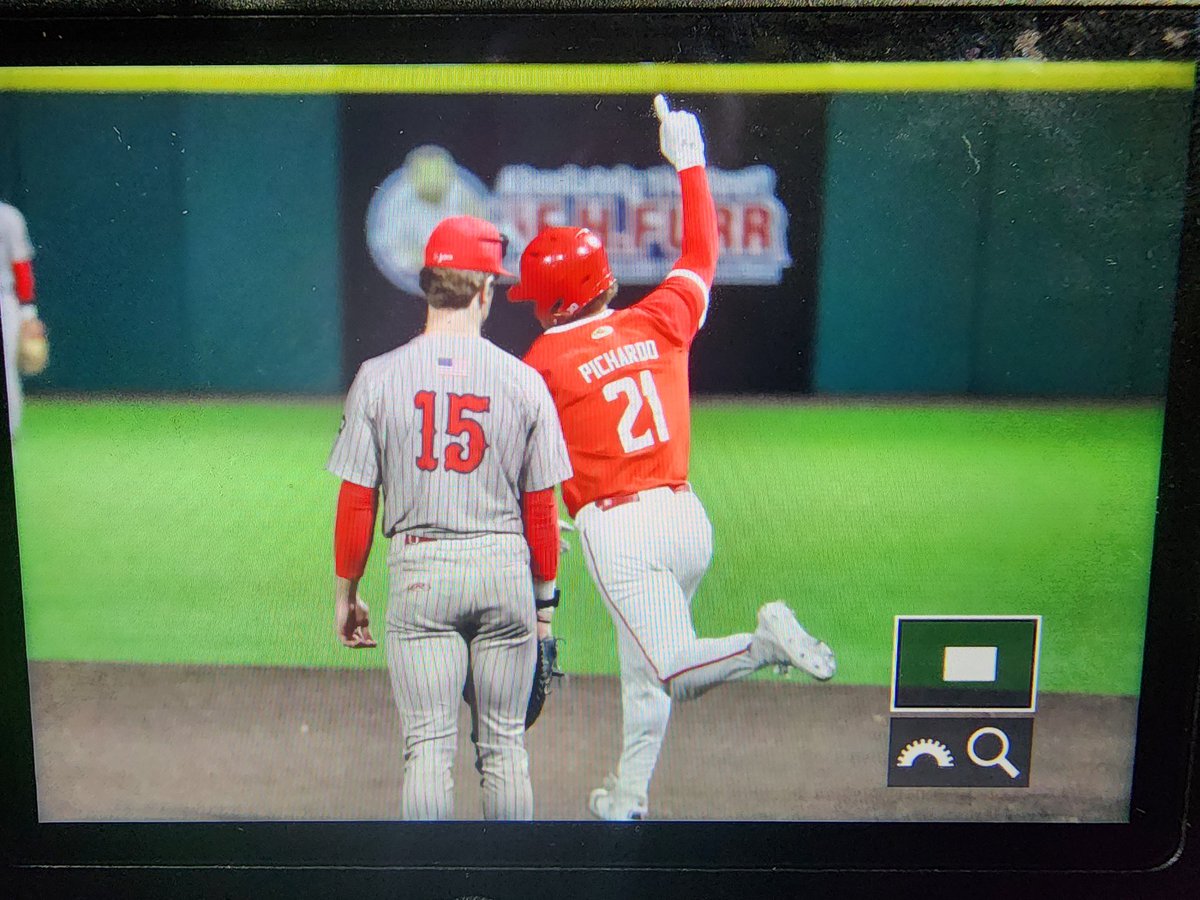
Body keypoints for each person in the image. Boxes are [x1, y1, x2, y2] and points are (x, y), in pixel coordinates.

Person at [508, 95, 837, 821]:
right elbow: (701, 256)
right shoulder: (661, 317)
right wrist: (690, 164)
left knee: (676, 670)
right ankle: (627, 796)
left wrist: (531, 513)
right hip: (688, 522)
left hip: (619, 531)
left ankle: (762, 643)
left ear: (553, 303)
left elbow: (520, 458)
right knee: (645, 670)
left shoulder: (540, 363)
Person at [326, 215, 572, 820]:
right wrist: (544, 611)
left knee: (428, 751)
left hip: (421, 575)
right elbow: (542, 511)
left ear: (428, 285)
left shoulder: (377, 378)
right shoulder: (524, 381)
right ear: (485, 289)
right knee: (505, 750)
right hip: (502, 572)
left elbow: (358, 500)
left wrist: (346, 594)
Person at [1, 200, 46, 437]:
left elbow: (21, 266)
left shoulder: (7, 216)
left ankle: (10, 433)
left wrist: (28, 314)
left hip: (4, 297)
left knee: (7, 370)